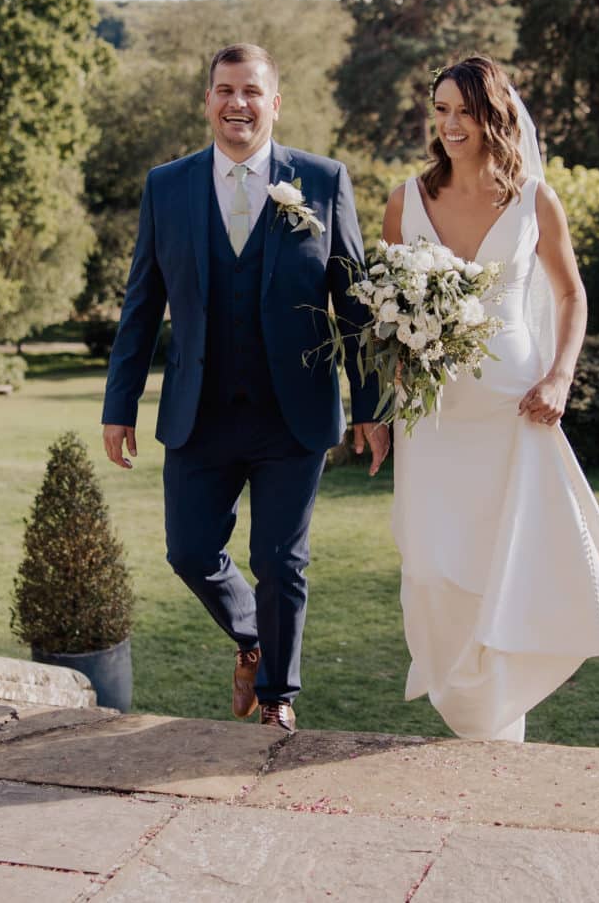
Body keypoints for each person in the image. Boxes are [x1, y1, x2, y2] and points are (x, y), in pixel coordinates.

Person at [100, 43, 387, 731]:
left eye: (252, 92)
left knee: (280, 559)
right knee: (189, 550)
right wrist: (120, 404)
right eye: (225, 90)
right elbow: (142, 303)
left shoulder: (322, 180)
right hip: (199, 412)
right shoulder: (166, 186)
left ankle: (278, 700)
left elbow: (352, 304)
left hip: (295, 413)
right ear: (207, 101)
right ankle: (254, 640)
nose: (238, 104)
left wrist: (373, 406)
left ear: (275, 102)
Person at [380, 55, 599, 741]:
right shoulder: (403, 201)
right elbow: (386, 314)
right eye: (440, 109)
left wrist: (560, 375)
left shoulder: (535, 199)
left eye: (464, 112)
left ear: (493, 116)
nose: (449, 124)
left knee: (511, 561)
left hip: (514, 407)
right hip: (434, 419)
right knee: (434, 567)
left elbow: (570, 294)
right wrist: (388, 397)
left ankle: (500, 725)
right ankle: (471, 708)